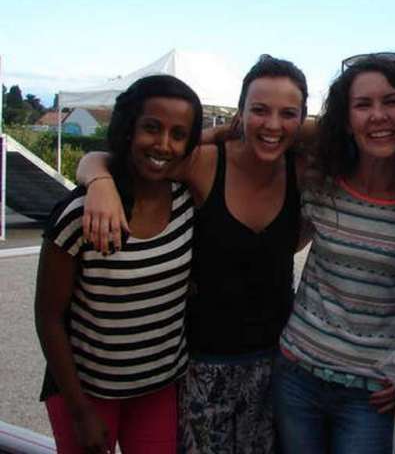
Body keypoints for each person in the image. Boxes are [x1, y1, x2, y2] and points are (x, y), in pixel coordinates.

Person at [77, 55, 309, 454]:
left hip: (277, 364)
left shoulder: (304, 171)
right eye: (259, 110)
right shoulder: (204, 164)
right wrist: (98, 181)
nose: (272, 125)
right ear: (240, 114)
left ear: (303, 119)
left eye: (288, 113)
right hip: (201, 364)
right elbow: (116, 158)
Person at [271, 53, 395, 454]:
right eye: (363, 105)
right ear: (346, 120)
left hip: (372, 393)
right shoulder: (320, 182)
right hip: (296, 374)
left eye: (391, 101)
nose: (378, 116)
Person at [35, 75, 203, 454]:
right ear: (128, 129)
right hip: (86, 394)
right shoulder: (80, 215)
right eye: (151, 128)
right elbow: (48, 318)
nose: (163, 144)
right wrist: (79, 411)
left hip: (159, 390)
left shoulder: (188, 205)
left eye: (178, 134)